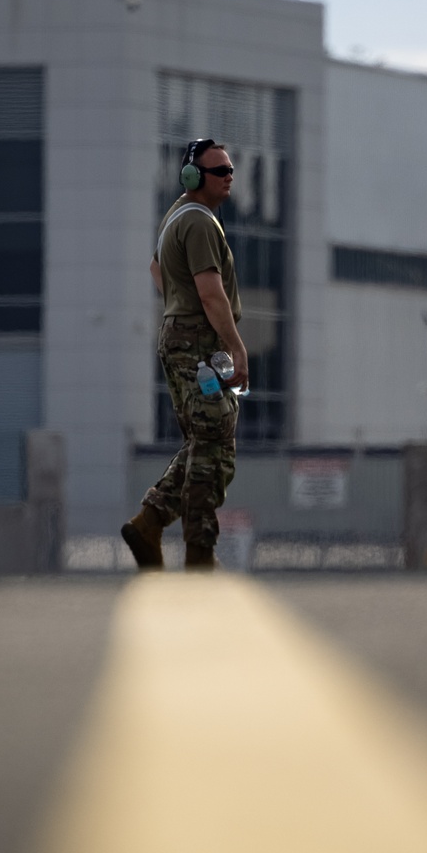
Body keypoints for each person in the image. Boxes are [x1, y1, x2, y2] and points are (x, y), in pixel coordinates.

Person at [121, 138, 249, 571]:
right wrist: (235, 346)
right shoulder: (198, 223)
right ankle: (199, 552)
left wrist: (178, 304)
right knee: (213, 448)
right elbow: (212, 296)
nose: (229, 176)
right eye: (220, 171)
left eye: (231, 170)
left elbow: (157, 269)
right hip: (198, 342)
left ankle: (150, 522)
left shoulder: (178, 215)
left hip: (186, 338)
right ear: (194, 177)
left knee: (206, 442)